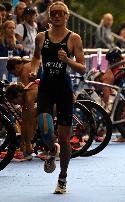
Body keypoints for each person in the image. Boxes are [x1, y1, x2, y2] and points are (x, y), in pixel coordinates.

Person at [30, 1, 86, 194]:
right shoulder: (41, 37)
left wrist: (67, 60)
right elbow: (36, 58)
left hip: (64, 90)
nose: (56, 16)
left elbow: (82, 67)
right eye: (53, 13)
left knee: (64, 137)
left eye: (60, 13)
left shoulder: (74, 38)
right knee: (45, 129)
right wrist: (34, 70)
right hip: (46, 87)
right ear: (49, 16)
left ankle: (62, 178)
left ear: (66, 16)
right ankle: (51, 149)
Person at [5, 82, 38, 161]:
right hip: (49, 100)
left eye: (14, 102)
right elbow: (24, 122)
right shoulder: (25, 99)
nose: (15, 104)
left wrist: (28, 144)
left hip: (59, 99)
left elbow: (30, 123)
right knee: (29, 117)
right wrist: (22, 142)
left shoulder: (29, 97)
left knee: (35, 117)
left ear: (19, 95)